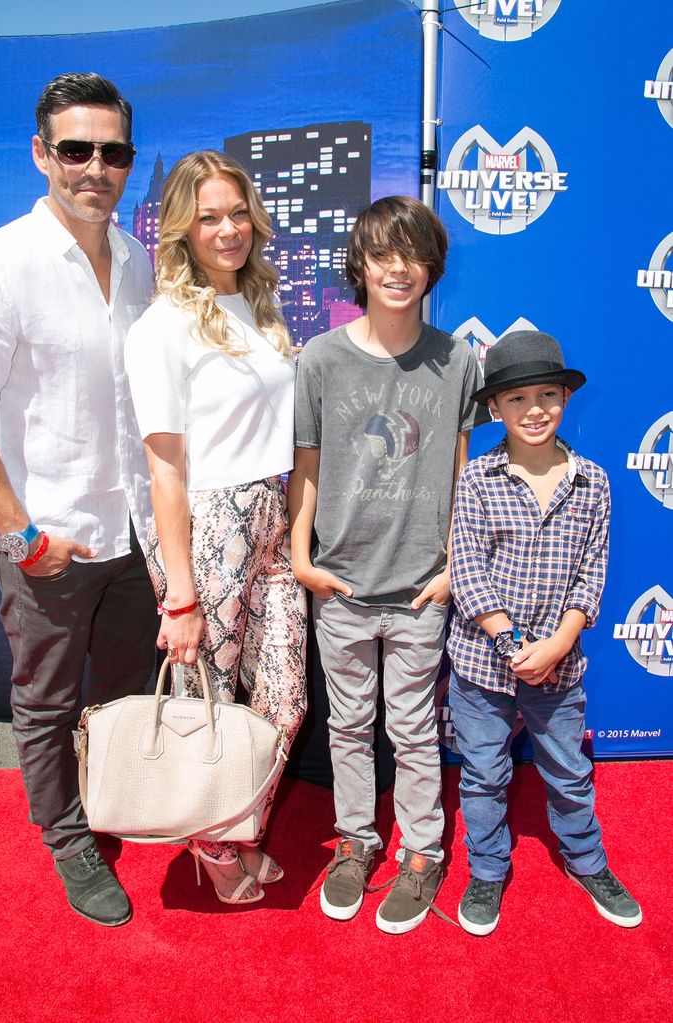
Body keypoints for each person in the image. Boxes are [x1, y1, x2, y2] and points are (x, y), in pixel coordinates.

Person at [0, 73, 157, 927]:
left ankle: (115, 801)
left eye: (113, 151)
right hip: (48, 539)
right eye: (76, 149)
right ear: (41, 154)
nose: (96, 166)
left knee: (128, 687)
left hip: (133, 532)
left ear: (130, 160)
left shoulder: (138, 261)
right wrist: (23, 536)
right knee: (48, 699)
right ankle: (65, 836)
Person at [288, 195, 484, 933]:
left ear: (432, 266)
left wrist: (452, 566)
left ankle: (423, 850)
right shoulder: (320, 358)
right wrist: (301, 555)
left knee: (412, 726)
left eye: (413, 253)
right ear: (360, 266)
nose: (398, 268)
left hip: (418, 587)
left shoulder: (456, 358)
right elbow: (304, 464)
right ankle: (357, 841)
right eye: (382, 254)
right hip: (338, 582)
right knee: (348, 724)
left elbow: (464, 468)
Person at [124, 150, 307, 907]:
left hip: (274, 514)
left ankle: (234, 827)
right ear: (181, 230)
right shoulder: (161, 326)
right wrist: (181, 596)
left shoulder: (262, 303)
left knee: (285, 698)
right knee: (213, 700)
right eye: (208, 217)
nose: (228, 228)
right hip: (214, 524)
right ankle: (216, 845)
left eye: (237, 211)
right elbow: (165, 470)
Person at [448, 329, 642, 935]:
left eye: (546, 395)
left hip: (560, 665)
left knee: (568, 770)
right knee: (482, 772)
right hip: (483, 663)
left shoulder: (594, 482)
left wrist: (558, 643)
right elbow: (468, 568)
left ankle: (587, 861)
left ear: (565, 397)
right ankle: (486, 870)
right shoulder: (478, 481)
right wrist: (509, 644)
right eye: (516, 399)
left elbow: (592, 571)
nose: (534, 410)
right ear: (494, 409)